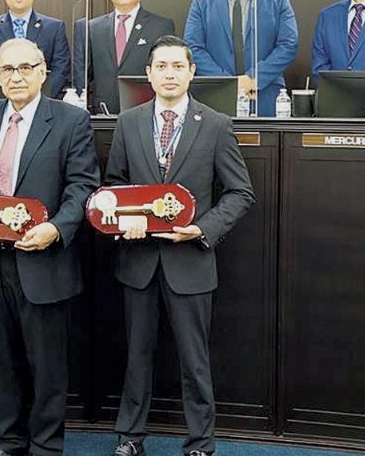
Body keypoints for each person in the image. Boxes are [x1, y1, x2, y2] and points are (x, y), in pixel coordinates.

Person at [0, 38, 100, 456]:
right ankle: (8, 441)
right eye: (6, 69)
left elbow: (82, 187)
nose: (15, 77)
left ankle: (46, 446)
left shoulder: (71, 121)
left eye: (25, 68)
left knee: (48, 365)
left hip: (44, 260)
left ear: (42, 72)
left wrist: (56, 228)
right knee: (0, 362)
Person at [105, 35, 254, 456]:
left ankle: (200, 442)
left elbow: (241, 193)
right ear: (148, 74)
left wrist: (202, 230)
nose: (169, 74)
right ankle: (130, 438)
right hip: (138, 261)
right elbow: (115, 186)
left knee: (194, 359)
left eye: (177, 66)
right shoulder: (129, 122)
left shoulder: (217, 124)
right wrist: (127, 222)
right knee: (137, 356)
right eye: (161, 66)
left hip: (190, 260)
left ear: (192, 73)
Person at [183, 0, 298, 117]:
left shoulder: (279, 2)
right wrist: (230, 84)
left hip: (266, 96)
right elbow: (193, 49)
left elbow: (288, 46)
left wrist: (254, 79)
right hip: (214, 99)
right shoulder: (201, 5)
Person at [73, 0, 175, 114]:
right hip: (103, 113)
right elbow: (81, 76)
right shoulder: (91, 28)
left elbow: (166, 70)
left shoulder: (161, 26)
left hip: (146, 112)